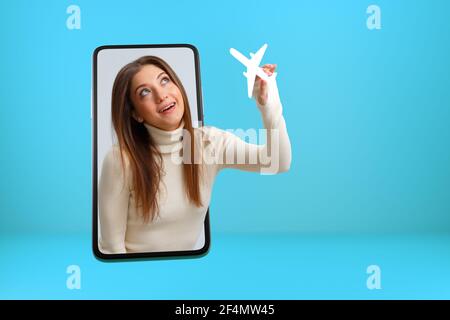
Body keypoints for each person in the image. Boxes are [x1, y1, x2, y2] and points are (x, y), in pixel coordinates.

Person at [98, 55, 291, 254]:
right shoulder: (120, 161)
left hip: (184, 275)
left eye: (164, 80)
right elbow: (112, 248)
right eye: (145, 92)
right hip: (136, 278)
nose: (162, 95)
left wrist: (268, 104)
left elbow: (277, 162)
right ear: (136, 113)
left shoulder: (209, 143)